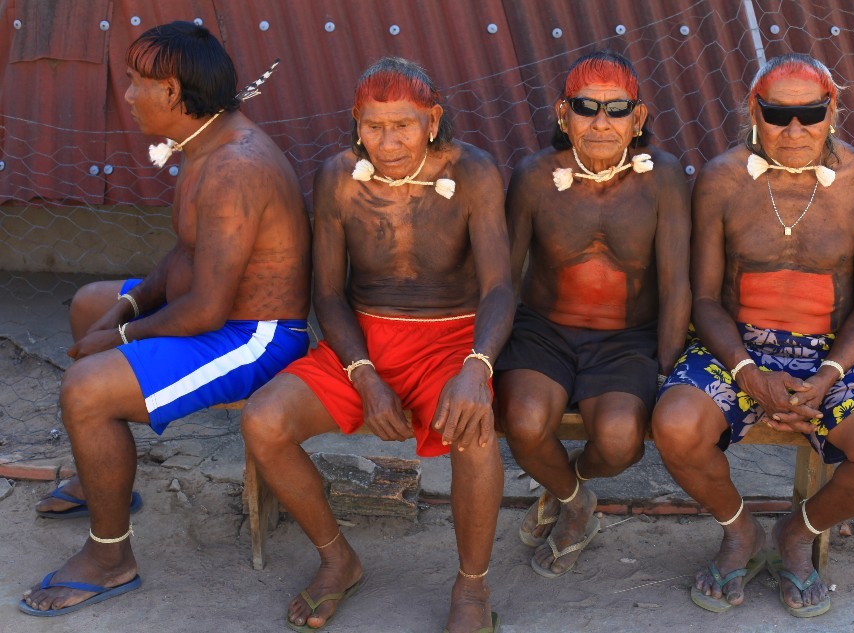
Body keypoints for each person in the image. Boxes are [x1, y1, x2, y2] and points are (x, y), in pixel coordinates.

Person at [20, 21, 311, 616]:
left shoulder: (234, 166)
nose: (126, 95)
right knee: (86, 303)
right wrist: (124, 307)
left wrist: (122, 335)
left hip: (256, 336)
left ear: (173, 92)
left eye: (134, 83)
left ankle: (109, 558)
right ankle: (103, 483)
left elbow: (206, 308)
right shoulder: (206, 141)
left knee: (84, 389)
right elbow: (186, 255)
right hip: (220, 314)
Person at [240, 57, 513, 633]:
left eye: (403, 126)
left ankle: (471, 587)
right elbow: (329, 295)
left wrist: (476, 368)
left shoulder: (474, 173)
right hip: (362, 344)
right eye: (372, 126)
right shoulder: (339, 175)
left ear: (433, 120)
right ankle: (338, 559)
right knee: (263, 421)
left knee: (475, 434)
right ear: (355, 123)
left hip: (452, 342)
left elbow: (499, 288)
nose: (386, 142)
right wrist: (363, 373)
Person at [651, 53, 854, 617]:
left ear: (833, 111)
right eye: (777, 114)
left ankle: (796, 534)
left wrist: (826, 377)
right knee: (674, 424)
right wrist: (747, 372)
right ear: (754, 110)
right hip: (737, 349)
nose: (794, 130)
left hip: (832, 355)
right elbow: (705, 298)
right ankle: (740, 530)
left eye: (810, 114)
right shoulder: (722, 179)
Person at [496, 49, 691, 578]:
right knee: (525, 421)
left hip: (628, 338)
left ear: (639, 118)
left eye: (616, 108)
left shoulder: (663, 178)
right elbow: (505, 279)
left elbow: (677, 286)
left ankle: (565, 483)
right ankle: (579, 504)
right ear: (564, 115)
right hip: (544, 332)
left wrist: (667, 368)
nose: (601, 122)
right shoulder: (534, 176)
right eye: (586, 108)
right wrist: (482, 356)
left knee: (621, 441)